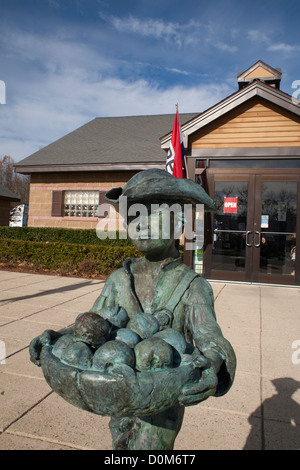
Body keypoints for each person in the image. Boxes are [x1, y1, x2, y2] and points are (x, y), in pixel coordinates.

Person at [29, 169, 236, 450]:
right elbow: (91, 328)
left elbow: (212, 341)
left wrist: (212, 367)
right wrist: (56, 337)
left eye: (152, 214)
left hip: (162, 405)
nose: (140, 224)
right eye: (133, 216)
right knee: (121, 446)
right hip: (119, 392)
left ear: (180, 224)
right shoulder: (118, 280)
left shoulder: (192, 287)